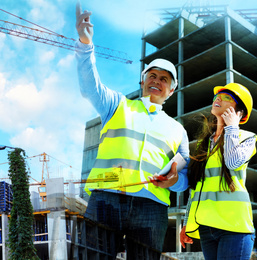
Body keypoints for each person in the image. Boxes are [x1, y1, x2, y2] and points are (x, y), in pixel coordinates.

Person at [75, 2, 189, 259]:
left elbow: (185, 179)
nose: (156, 81)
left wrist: (174, 181)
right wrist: (85, 45)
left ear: (171, 91)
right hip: (106, 198)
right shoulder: (117, 105)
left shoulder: (177, 129)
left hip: (151, 207)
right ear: (142, 79)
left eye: (164, 79)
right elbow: (89, 87)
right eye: (152, 75)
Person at [180, 83, 257, 260]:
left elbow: (232, 162)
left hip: (234, 227)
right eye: (217, 96)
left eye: (227, 97)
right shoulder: (204, 143)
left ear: (240, 112)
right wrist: (187, 223)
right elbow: (196, 188)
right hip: (206, 227)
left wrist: (231, 127)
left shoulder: (247, 138)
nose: (218, 99)